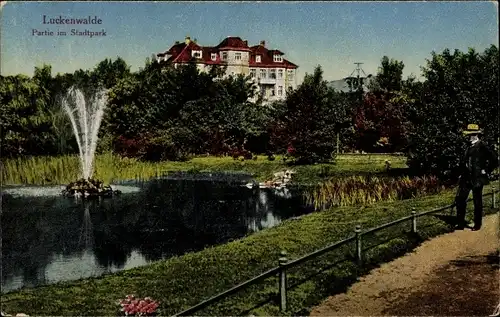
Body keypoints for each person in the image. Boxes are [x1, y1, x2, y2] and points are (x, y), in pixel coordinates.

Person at [455, 124, 499, 230]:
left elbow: (495, 160)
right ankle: (460, 223)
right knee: (460, 199)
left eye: (471, 135)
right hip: (466, 178)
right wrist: (462, 172)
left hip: (477, 178)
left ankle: (477, 224)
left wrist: (486, 170)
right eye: (468, 135)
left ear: (476, 135)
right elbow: (465, 161)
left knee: (477, 201)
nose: (469, 137)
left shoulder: (482, 146)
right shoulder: (468, 146)